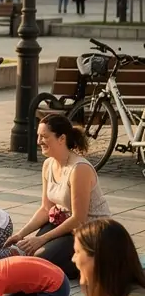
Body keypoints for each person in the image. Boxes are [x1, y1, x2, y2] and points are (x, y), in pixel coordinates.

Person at [7, 114, 109, 280]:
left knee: (39, 262)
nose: (39, 141)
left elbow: (79, 219)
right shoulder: (48, 164)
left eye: (45, 137)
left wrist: (41, 239)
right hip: (65, 225)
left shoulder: (79, 169)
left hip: (89, 232)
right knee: (27, 253)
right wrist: (21, 234)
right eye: (38, 136)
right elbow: (46, 208)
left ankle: (92, 262)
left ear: (61, 138)